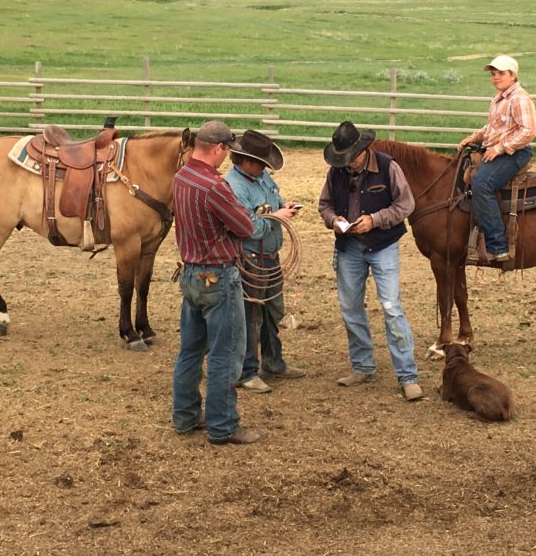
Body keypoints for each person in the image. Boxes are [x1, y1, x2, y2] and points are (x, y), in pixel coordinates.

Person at [171, 120, 263, 446]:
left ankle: (184, 417)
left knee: (190, 351)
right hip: (219, 277)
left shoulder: (181, 177)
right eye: (227, 151)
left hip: (191, 273)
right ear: (218, 148)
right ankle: (222, 426)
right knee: (226, 353)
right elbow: (245, 226)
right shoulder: (215, 185)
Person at [318, 121, 423, 402]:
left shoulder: (389, 167)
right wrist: (334, 220)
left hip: (383, 244)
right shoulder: (336, 171)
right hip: (348, 244)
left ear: (363, 151)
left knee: (391, 307)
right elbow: (324, 204)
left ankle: (407, 374)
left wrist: (375, 220)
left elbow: (406, 205)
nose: (347, 164)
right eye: (343, 159)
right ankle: (363, 365)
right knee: (350, 307)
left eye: (350, 158)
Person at [225, 130, 307, 394]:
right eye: (260, 162)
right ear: (245, 160)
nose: (264, 167)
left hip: (268, 259)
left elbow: (272, 201)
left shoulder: (261, 177)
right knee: (250, 314)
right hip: (250, 260)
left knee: (272, 310)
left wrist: (284, 205)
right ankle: (247, 371)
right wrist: (279, 217)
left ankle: (273, 361)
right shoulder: (234, 187)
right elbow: (247, 228)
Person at [457, 55, 536, 262]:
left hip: (515, 153)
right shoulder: (499, 98)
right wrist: (474, 137)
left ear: (513, 75)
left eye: (501, 73)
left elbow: (528, 131)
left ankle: (498, 245)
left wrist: (501, 148)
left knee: (482, 183)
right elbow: (493, 127)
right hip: (496, 149)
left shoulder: (519, 98)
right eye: (493, 74)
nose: (496, 77)